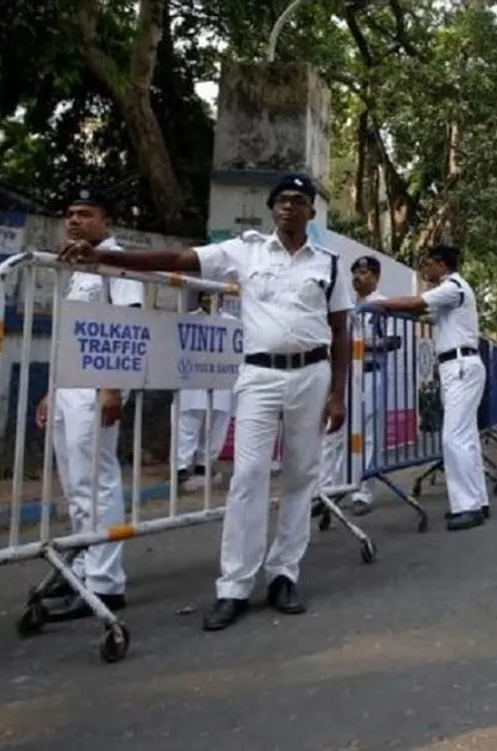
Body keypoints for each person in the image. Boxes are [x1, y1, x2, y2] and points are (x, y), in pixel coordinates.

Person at [57, 172, 353, 630]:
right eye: (281, 200)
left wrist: (338, 395)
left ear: (312, 211)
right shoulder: (243, 250)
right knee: (248, 478)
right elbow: (177, 258)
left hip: (312, 375)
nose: (288, 207)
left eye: (298, 201)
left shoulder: (330, 263)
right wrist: (102, 257)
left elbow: (340, 331)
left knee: (300, 477)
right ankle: (234, 586)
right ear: (271, 209)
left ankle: (283, 573)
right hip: (258, 374)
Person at [36, 187, 145, 621]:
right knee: (76, 485)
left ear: (107, 222)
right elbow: (72, 334)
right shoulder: (78, 266)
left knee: (96, 482)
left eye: (85, 213)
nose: (74, 220)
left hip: (98, 386)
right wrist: (52, 388)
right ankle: (83, 564)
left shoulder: (116, 263)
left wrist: (113, 387)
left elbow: (126, 325)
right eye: (70, 213)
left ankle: (105, 583)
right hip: (71, 385)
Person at [361, 245, 491, 531]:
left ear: (441, 264)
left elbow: (416, 303)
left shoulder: (452, 287)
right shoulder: (454, 291)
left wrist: (379, 304)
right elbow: (425, 314)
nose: (424, 269)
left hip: (459, 365)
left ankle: (467, 506)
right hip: (459, 365)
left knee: (454, 438)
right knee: (465, 437)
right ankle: (477, 501)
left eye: (427, 263)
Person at [317, 255, 401, 516]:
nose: (357, 277)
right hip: (344, 376)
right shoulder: (345, 303)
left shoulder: (385, 304)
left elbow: (393, 340)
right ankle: (325, 489)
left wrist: (358, 346)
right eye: (355, 272)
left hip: (371, 372)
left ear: (376, 277)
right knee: (334, 431)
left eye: (364, 273)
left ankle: (362, 490)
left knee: (367, 433)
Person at [176, 290, 235, 490]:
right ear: (199, 299)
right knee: (188, 424)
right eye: (205, 296)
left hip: (221, 380)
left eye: (214, 296)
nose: (210, 300)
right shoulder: (187, 320)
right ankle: (181, 467)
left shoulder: (232, 323)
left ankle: (204, 463)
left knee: (216, 426)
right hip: (193, 380)